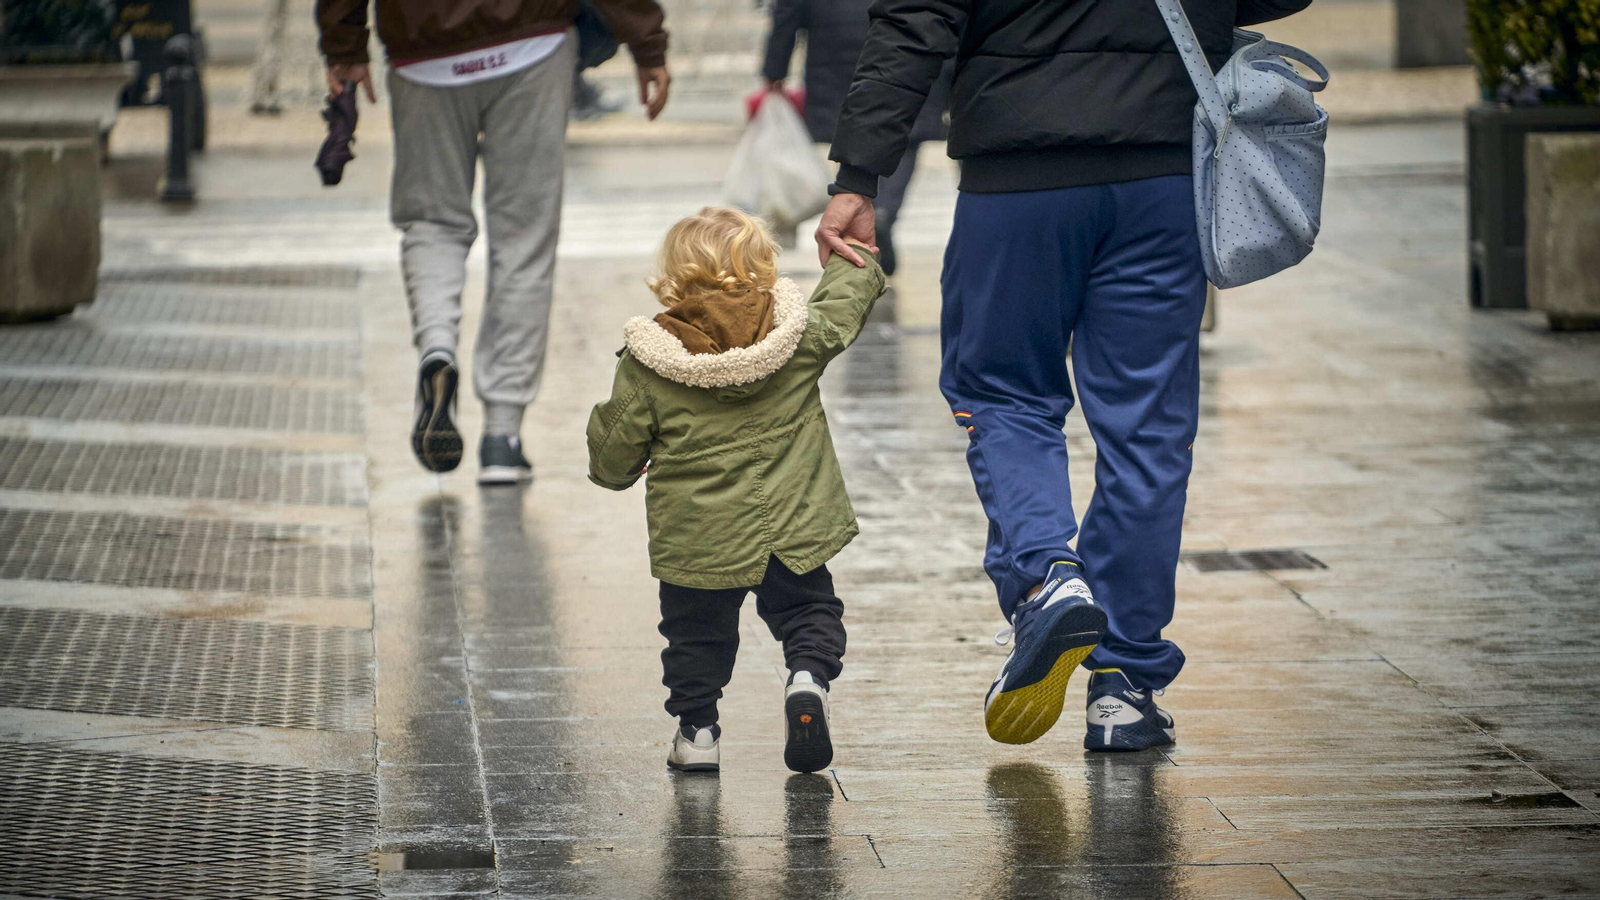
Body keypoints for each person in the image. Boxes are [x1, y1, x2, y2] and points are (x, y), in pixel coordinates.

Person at [814, 0, 1312, 751]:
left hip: (1018, 178)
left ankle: (1051, 577)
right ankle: (1126, 687)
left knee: (1003, 394)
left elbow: (916, 18)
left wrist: (859, 173)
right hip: (1162, 176)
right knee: (1148, 430)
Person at [316, 0, 671, 484]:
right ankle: (502, 437)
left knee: (432, 221)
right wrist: (646, 41)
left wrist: (344, 44)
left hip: (423, 50)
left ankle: (437, 348)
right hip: (531, 41)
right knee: (523, 238)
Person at [586, 207, 886, 774]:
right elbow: (843, 306)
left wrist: (619, 464)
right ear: (762, 267)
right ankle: (807, 680)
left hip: (699, 539)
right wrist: (857, 253)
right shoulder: (794, 336)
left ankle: (698, 733)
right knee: (810, 611)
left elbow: (614, 454)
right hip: (791, 526)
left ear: (674, 276)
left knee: (694, 636)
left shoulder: (652, 364)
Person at [760, 0, 950, 276]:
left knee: (851, 130)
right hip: (905, 40)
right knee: (906, 134)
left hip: (833, 48)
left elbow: (788, 10)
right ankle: (884, 211)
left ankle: (859, 206)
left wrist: (775, 68)